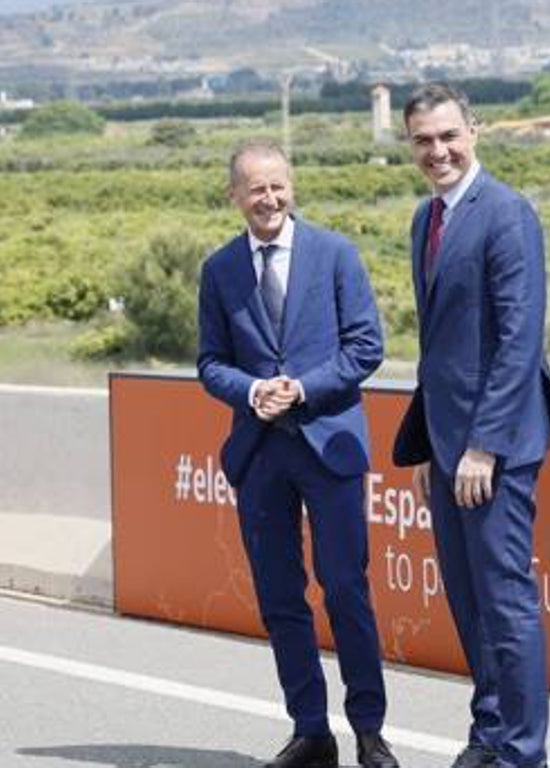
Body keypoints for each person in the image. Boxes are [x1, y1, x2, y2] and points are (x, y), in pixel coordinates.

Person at [392, 83, 550, 768]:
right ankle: (490, 733)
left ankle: (521, 754)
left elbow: (517, 341)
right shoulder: (427, 219)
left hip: (492, 448)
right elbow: (439, 349)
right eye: (422, 140)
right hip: (446, 446)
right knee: (468, 602)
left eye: (448, 136)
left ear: (475, 131)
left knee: (505, 605)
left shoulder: (507, 214)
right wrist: (425, 447)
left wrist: (484, 446)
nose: (437, 150)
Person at [197, 140, 399, 768]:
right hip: (260, 457)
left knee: (345, 590)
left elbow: (367, 347)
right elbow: (209, 364)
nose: (269, 198)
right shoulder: (220, 269)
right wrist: (254, 390)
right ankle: (311, 730)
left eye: (278, 185)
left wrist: (303, 388)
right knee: (281, 597)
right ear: (234, 196)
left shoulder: (337, 255)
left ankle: (369, 729)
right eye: (255, 188)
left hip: (327, 447)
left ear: (293, 186)